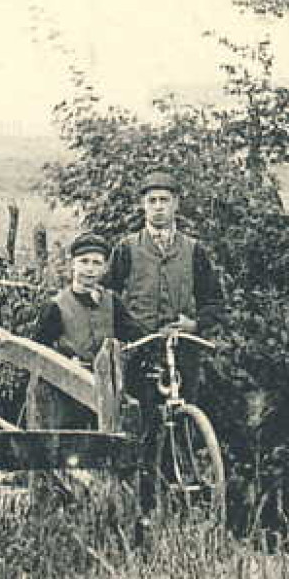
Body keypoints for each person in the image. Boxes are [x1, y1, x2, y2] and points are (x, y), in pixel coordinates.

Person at [104, 170, 226, 406]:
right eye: (152, 201)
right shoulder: (126, 248)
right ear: (143, 205)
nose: (158, 207)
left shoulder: (193, 250)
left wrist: (195, 324)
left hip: (182, 351)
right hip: (139, 351)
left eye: (164, 200)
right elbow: (106, 298)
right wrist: (126, 332)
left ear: (176, 204)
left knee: (182, 419)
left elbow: (214, 302)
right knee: (140, 420)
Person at [30, 231, 145, 428]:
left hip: (107, 391)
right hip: (66, 393)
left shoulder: (112, 302)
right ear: (72, 264)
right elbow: (38, 352)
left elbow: (135, 336)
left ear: (104, 269)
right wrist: (65, 360)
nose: (90, 269)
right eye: (84, 262)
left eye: (96, 263)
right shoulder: (56, 306)